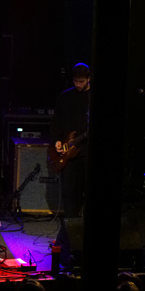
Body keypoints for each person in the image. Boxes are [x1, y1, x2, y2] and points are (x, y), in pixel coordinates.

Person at [51, 62, 90, 217]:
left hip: (86, 152)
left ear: (89, 79)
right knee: (69, 191)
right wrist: (56, 140)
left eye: (81, 81)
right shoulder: (65, 97)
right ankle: (69, 223)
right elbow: (56, 121)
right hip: (68, 151)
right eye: (75, 81)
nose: (78, 85)